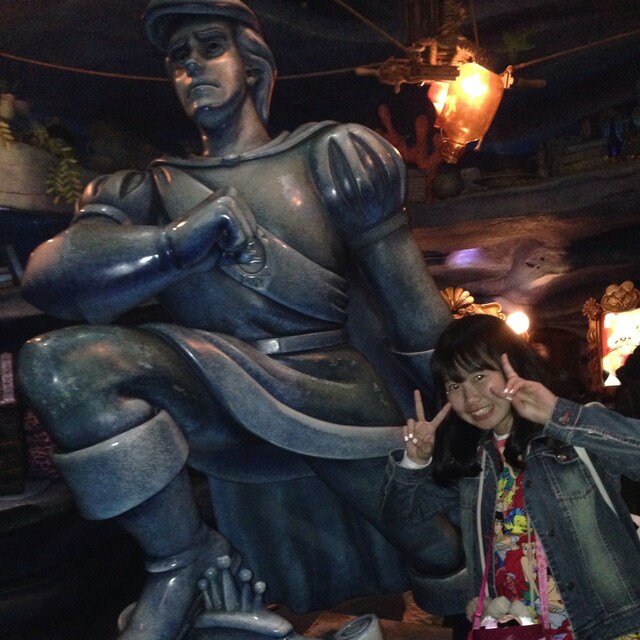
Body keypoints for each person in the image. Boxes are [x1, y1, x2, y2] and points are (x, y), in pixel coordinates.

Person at [16, 1, 454, 638]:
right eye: (178, 58)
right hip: (213, 384)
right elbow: (51, 279)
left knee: (443, 552)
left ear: (252, 64)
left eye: (209, 46)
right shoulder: (148, 189)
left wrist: (465, 408)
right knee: (60, 364)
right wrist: (178, 242)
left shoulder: (331, 155)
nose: (192, 66)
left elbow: (409, 302)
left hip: (333, 393)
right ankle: (180, 559)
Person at [382, 314, 640, 640]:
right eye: (454, 385)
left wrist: (558, 415)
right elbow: (401, 520)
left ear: (511, 367)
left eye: (479, 375)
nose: (470, 399)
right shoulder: (473, 464)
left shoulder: (571, 433)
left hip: (607, 626)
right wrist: (414, 462)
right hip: (518, 629)